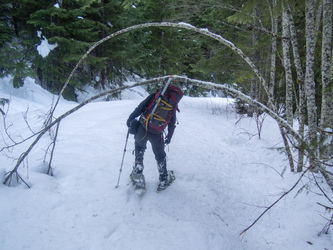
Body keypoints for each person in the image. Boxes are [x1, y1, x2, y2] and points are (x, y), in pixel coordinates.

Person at [126, 91, 177, 191]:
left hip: (142, 128)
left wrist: (130, 119)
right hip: (157, 134)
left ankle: (138, 174)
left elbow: (140, 108)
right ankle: (163, 180)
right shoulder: (172, 103)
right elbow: (172, 122)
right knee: (160, 156)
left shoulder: (155, 96)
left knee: (139, 147)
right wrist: (169, 137)